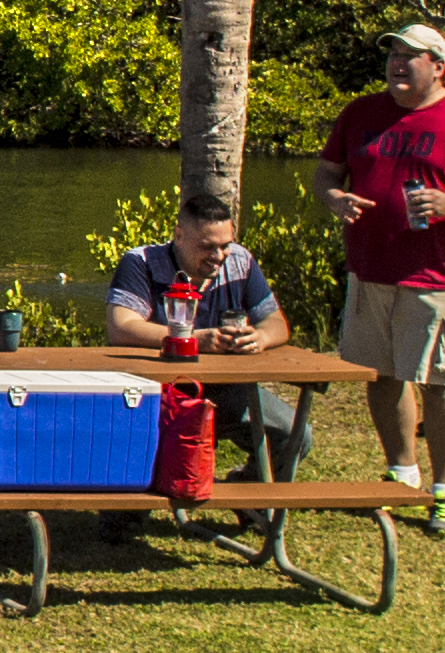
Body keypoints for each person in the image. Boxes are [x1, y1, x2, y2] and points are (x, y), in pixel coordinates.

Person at [318, 19, 445, 536]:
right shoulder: (361, 113)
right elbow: (327, 172)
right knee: (383, 376)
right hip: (371, 272)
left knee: (439, 383)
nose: (397, 63)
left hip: (439, 278)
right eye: (393, 54)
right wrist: (334, 197)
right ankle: (402, 473)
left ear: (438, 65)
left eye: (410, 56)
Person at [105, 186, 304, 473]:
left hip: (226, 390)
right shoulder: (141, 263)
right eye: (208, 246)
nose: (219, 255)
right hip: (158, 392)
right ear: (179, 235)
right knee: (149, 462)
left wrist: (259, 337)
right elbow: (122, 327)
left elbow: (276, 323)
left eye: (225, 245)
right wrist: (194, 340)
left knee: (296, 436)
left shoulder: (240, 261)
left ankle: (247, 494)